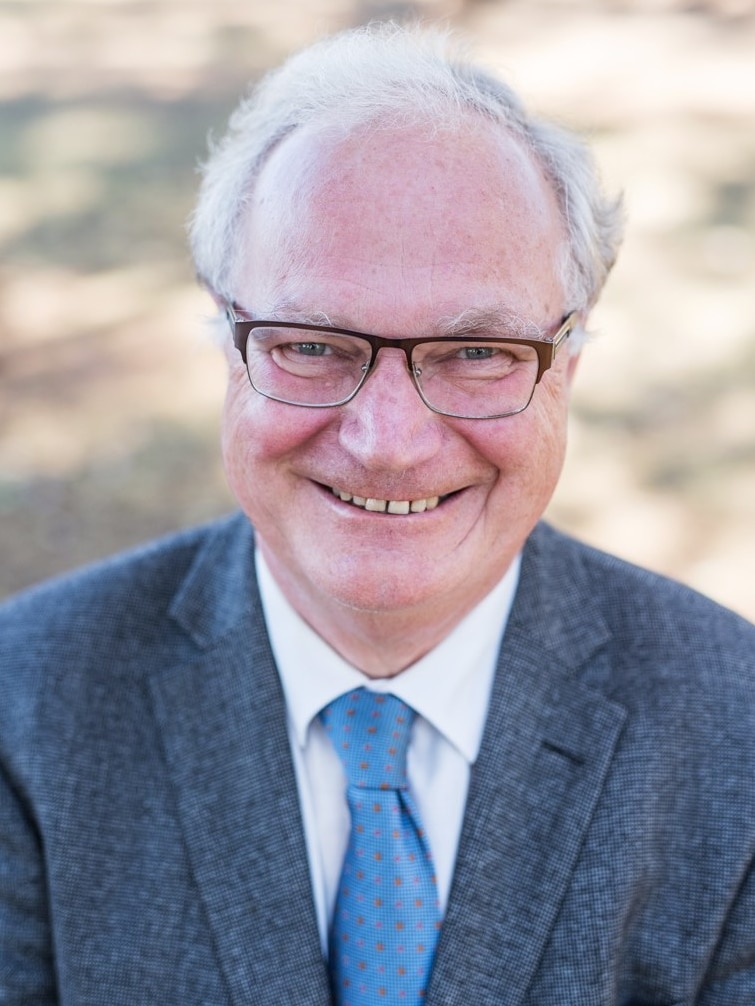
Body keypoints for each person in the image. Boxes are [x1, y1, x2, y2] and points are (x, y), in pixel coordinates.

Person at [1, 22, 754, 1006]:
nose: (388, 439)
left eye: (475, 352)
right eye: (311, 344)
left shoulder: (734, 732)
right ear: (227, 346)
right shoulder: (23, 712)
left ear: (566, 364)